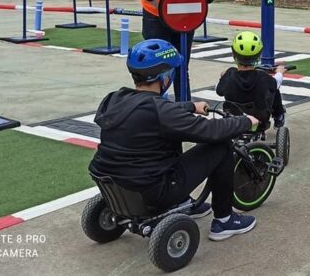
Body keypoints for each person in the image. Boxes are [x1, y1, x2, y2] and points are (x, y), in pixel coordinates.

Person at [88, 39, 259, 241]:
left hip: (113, 183)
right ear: (165, 76)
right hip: (153, 191)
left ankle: (181, 203)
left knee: (163, 140)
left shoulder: (114, 99)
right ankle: (224, 220)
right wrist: (245, 121)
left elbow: (151, 110)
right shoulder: (162, 112)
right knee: (220, 146)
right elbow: (211, 131)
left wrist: (190, 106)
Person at [215, 31, 287, 131]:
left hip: (233, 122)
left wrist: (222, 77)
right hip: (259, 121)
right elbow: (276, 83)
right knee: (274, 89)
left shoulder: (229, 74)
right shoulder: (262, 76)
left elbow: (218, 91)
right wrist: (280, 72)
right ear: (258, 57)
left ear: (234, 55)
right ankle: (278, 116)